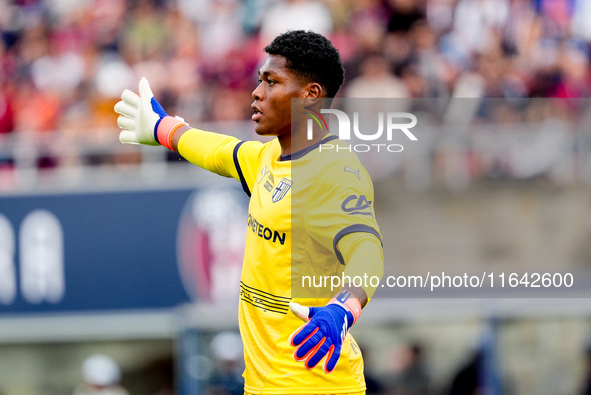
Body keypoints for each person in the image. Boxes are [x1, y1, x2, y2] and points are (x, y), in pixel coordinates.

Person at [115, 30, 384, 394]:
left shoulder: (334, 173)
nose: (257, 93)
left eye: (272, 82)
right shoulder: (270, 158)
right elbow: (221, 151)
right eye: (260, 80)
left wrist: (343, 308)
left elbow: (367, 249)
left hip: (313, 385)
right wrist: (164, 128)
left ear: (310, 96)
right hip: (262, 384)